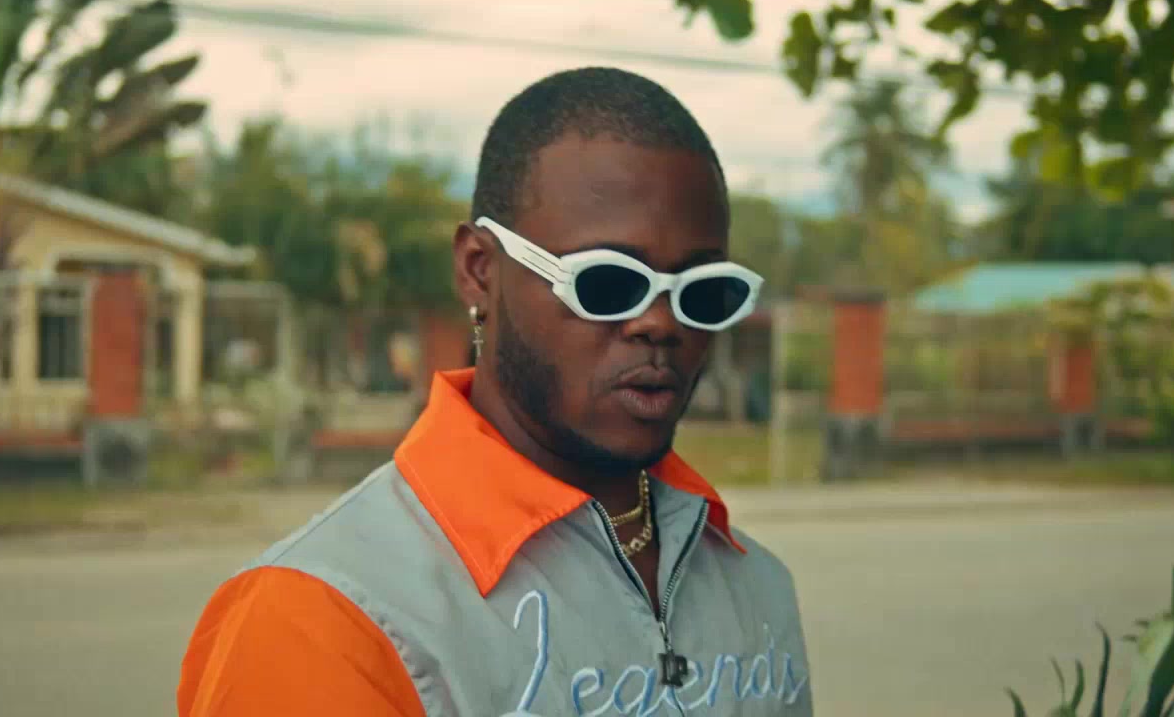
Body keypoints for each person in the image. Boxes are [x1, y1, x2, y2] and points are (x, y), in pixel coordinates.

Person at [178, 66, 812, 717]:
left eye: (703, 293)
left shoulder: (754, 586)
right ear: (480, 271)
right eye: (607, 283)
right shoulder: (319, 622)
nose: (661, 323)